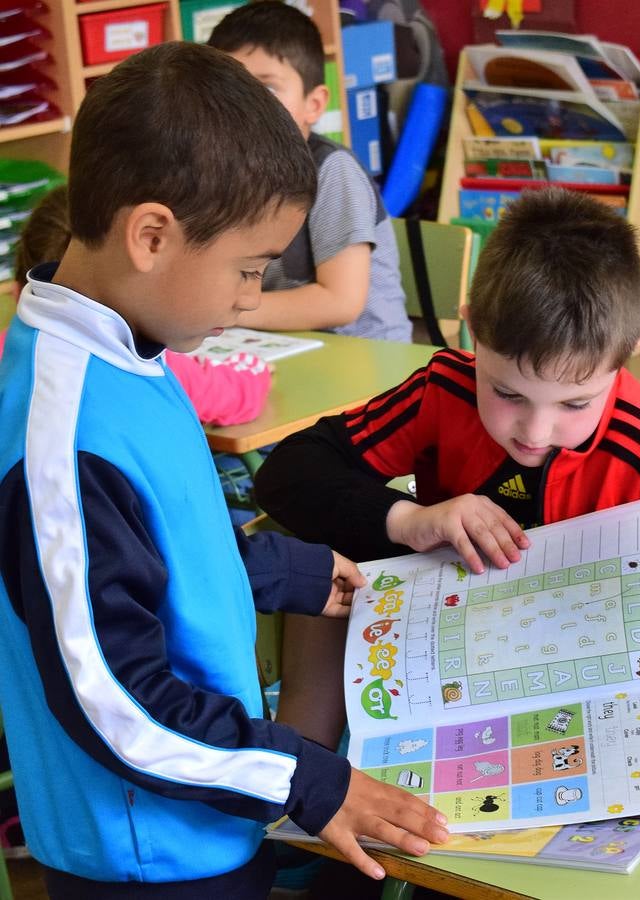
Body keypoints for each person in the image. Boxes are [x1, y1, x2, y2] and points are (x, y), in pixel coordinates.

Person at [0, 42, 448, 899]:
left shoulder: (127, 339)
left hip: (202, 811)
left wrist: (292, 570)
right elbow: (117, 708)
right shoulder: (62, 433)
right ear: (152, 236)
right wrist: (311, 781)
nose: (250, 298)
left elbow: (159, 547)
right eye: (247, 269)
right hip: (147, 858)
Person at [256, 187, 640, 677]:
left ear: (627, 352)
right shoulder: (443, 391)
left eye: (575, 403)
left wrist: (609, 643)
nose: (535, 432)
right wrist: (408, 519)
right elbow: (289, 472)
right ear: (474, 330)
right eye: (508, 394)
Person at [208, 1, 412, 343]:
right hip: (284, 346)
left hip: (370, 361)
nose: (248, 105)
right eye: (231, 89)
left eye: (268, 87)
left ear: (314, 105)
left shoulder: (332, 171)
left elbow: (340, 302)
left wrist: (225, 310)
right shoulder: (223, 171)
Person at [2, 184, 272, 428]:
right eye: (249, 272)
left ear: (17, 292)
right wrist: (254, 366)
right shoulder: (144, 363)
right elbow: (234, 393)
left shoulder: (12, 350)